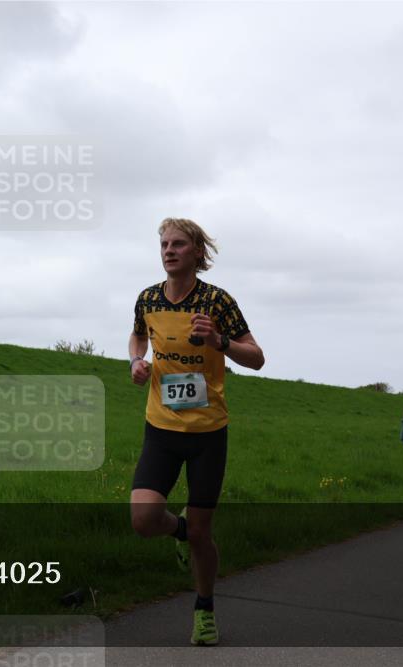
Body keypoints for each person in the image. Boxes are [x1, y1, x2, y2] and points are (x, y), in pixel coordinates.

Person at [128, 217, 264, 646]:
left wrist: (220, 342)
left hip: (208, 432)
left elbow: (257, 357)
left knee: (204, 533)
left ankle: (204, 609)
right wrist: (136, 362)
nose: (169, 251)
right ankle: (179, 530)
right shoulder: (148, 298)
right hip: (161, 427)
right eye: (164, 244)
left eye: (178, 244)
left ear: (197, 253)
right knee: (143, 519)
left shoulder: (217, 302)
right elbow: (137, 337)